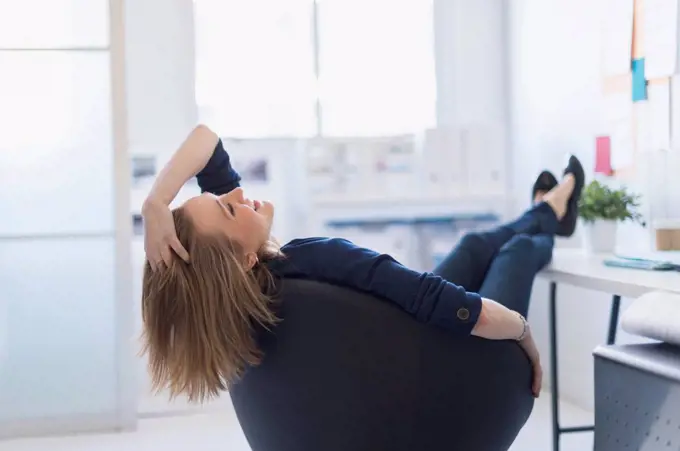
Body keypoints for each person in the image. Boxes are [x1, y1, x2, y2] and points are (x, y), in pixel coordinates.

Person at [141, 125, 585, 403]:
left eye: (222, 195)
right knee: (518, 250)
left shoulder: (247, 292)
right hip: (456, 364)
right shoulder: (315, 258)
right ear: (242, 260)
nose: (237, 194)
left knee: (471, 245)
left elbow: (208, 142)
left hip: (411, 345)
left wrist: (157, 201)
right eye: (227, 208)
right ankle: (547, 217)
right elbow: (442, 302)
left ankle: (546, 211)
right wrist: (524, 334)